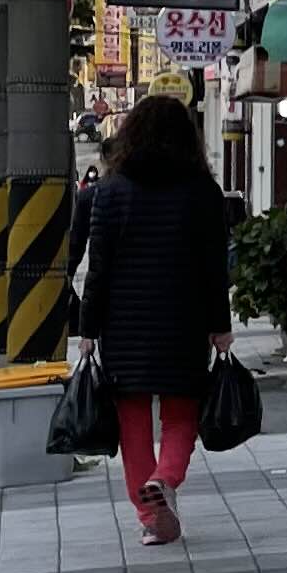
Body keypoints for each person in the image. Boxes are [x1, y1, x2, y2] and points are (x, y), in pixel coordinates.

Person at [70, 90, 233, 544]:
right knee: (181, 414)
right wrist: (220, 326)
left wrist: (88, 329)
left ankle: (149, 515)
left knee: (132, 421)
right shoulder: (203, 192)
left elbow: (98, 268)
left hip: (124, 327)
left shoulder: (110, 192)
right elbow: (215, 268)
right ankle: (165, 478)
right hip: (184, 323)